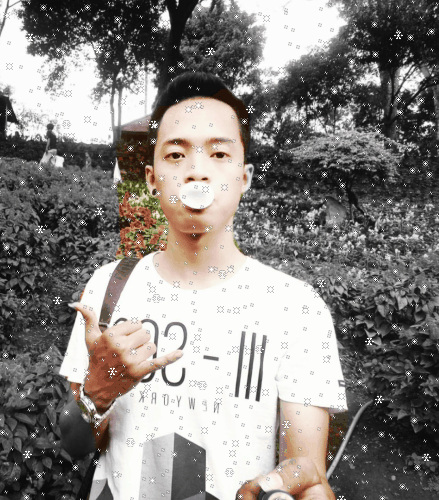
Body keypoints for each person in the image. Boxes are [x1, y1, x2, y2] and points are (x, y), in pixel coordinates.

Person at [59, 72, 347, 500]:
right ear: (152, 178)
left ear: (244, 177)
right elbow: (73, 444)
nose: (196, 172)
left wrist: (294, 487)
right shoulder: (108, 287)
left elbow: (305, 470)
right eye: (176, 155)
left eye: (219, 153)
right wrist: (97, 391)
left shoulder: (298, 310)